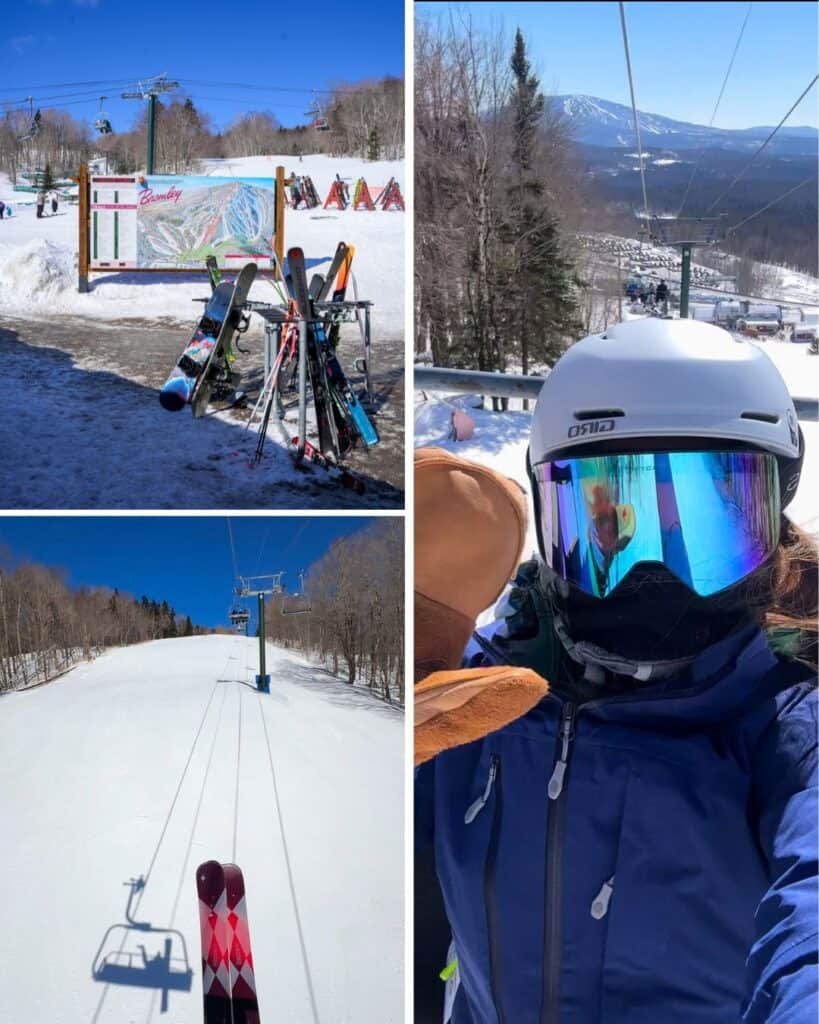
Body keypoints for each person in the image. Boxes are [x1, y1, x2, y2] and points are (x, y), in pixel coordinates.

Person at [415, 317, 817, 1024]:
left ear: (772, 525)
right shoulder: (473, 703)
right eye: (613, 529)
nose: (655, 579)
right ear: (548, 522)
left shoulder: (787, 729)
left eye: (704, 533)